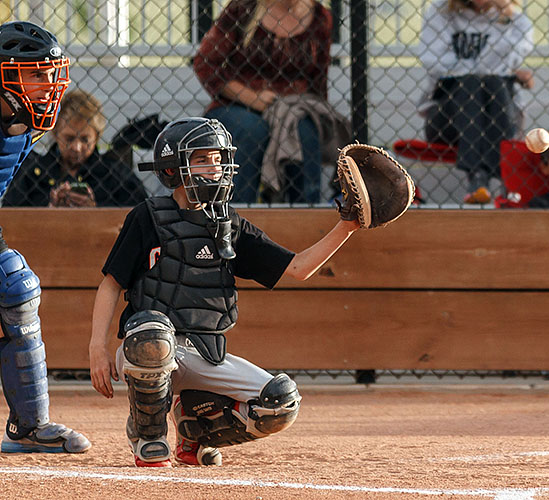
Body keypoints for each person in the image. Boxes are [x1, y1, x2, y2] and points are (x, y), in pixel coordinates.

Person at [88, 117, 361, 467]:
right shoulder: (148, 217)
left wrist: (348, 226)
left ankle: (193, 430)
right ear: (173, 168)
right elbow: (111, 283)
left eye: (218, 158)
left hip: (205, 353)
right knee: (153, 336)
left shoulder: (230, 225)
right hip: (147, 347)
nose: (215, 168)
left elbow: (299, 267)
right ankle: (149, 433)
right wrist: (98, 347)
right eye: (202, 159)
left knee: (279, 403)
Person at [0, 21, 91, 453]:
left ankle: (31, 426)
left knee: (16, 288)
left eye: (50, 73)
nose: (48, 84)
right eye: (35, 74)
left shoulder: (23, 124)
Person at [193, 0, 342, 205]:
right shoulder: (243, 8)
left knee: (305, 132)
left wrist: (314, 116)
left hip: (292, 109)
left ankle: (305, 220)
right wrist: (252, 98)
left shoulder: (320, 17)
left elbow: (318, 83)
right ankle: (236, 218)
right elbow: (206, 64)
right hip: (236, 105)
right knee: (252, 131)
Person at [418, 0, 534, 204]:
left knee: (493, 82)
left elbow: (509, 61)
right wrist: (507, 73)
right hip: (447, 122)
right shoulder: (441, 12)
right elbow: (434, 63)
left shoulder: (517, 23)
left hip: (494, 114)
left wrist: (503, 13)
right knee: (471, 82)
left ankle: (479, 177)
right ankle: (498, 174)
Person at [3, 89, 147, 207]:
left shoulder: (116, 174)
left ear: (96, 137)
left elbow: (139, 219)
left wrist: (95, 211)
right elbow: (10, 218)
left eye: (85, 139)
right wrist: (49, 211)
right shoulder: (31, 173)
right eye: (69, 138)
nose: (77, 148)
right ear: (55, 133)